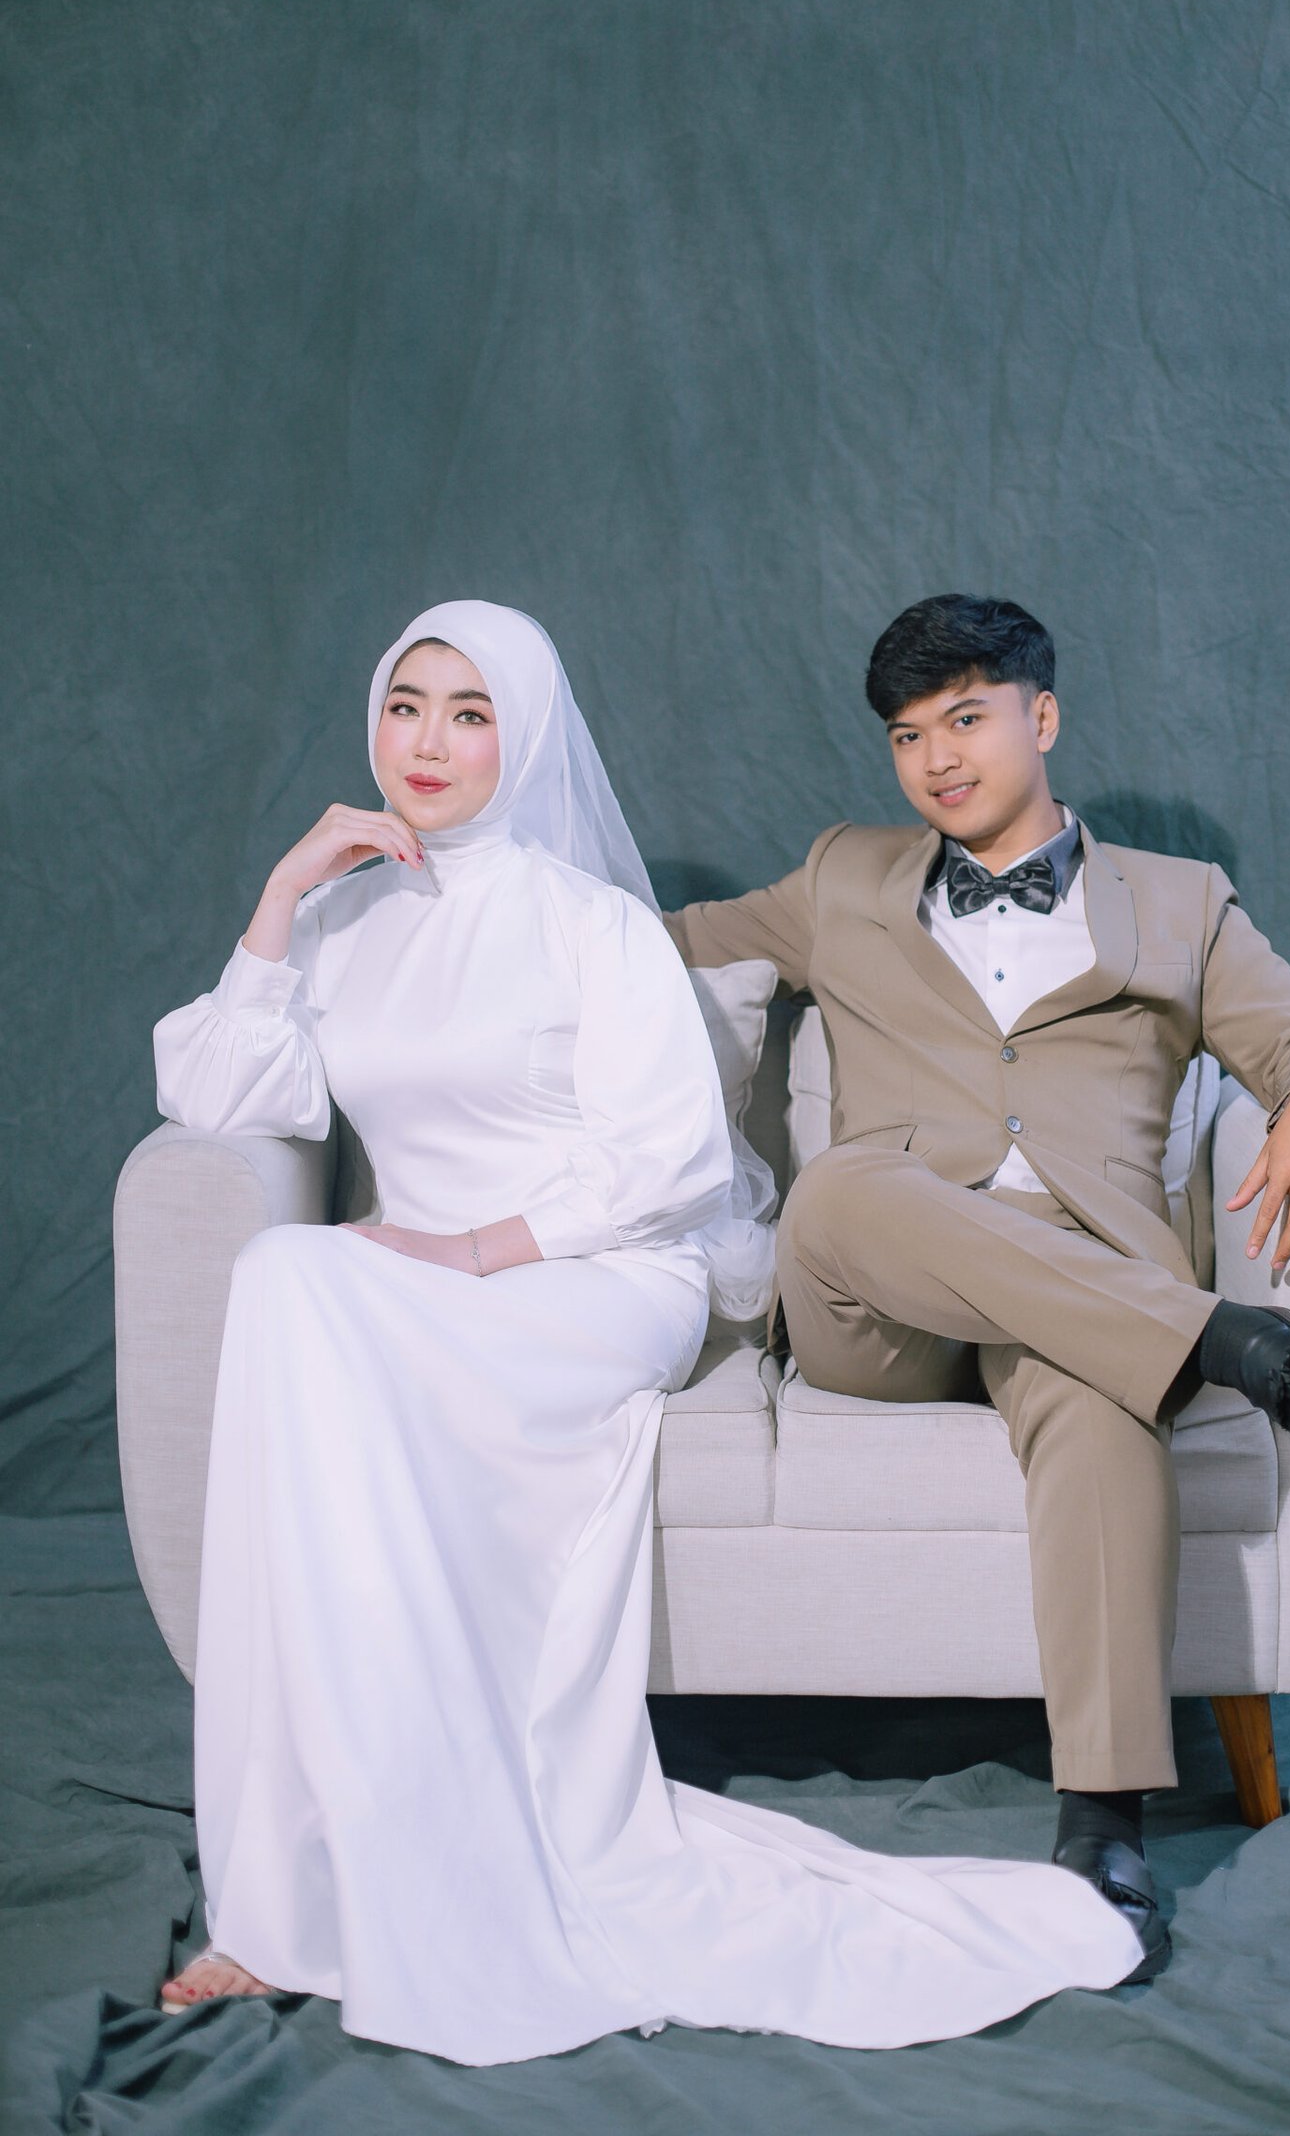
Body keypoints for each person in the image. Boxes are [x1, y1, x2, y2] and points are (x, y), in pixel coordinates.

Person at [149, 599, 1148, 2067]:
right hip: (405, 1288)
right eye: (408, 706)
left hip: (596, 1276)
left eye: (473, 714)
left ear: (527, 737)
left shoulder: (588, 924)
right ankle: (287, 1892)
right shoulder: (345, 924)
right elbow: (217, 1098)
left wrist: (469, 1251)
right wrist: (282, 895)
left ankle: (356, 1869)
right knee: (289, 1283)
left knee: (306, 1283)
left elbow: (669, 1166)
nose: (430, 742)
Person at [665, 592, 1290, 1971]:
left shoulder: (1179, 900)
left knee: (1105, 1393)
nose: (937, 759)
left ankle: (1103, 1823)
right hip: (876, 1294)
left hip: (1082, 1285)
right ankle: (1247, 1351)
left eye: (966, 719)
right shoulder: (840, 878)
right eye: (907, 736)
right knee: (845, 1187)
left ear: (1041, 717)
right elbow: (652, 946)